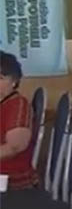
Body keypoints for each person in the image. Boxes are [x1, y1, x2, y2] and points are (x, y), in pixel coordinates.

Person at [0, 52, 39, 190]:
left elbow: (15, 147)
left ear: (14, 82)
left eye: (1, 78)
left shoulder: (18, 105)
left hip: (10, 181)